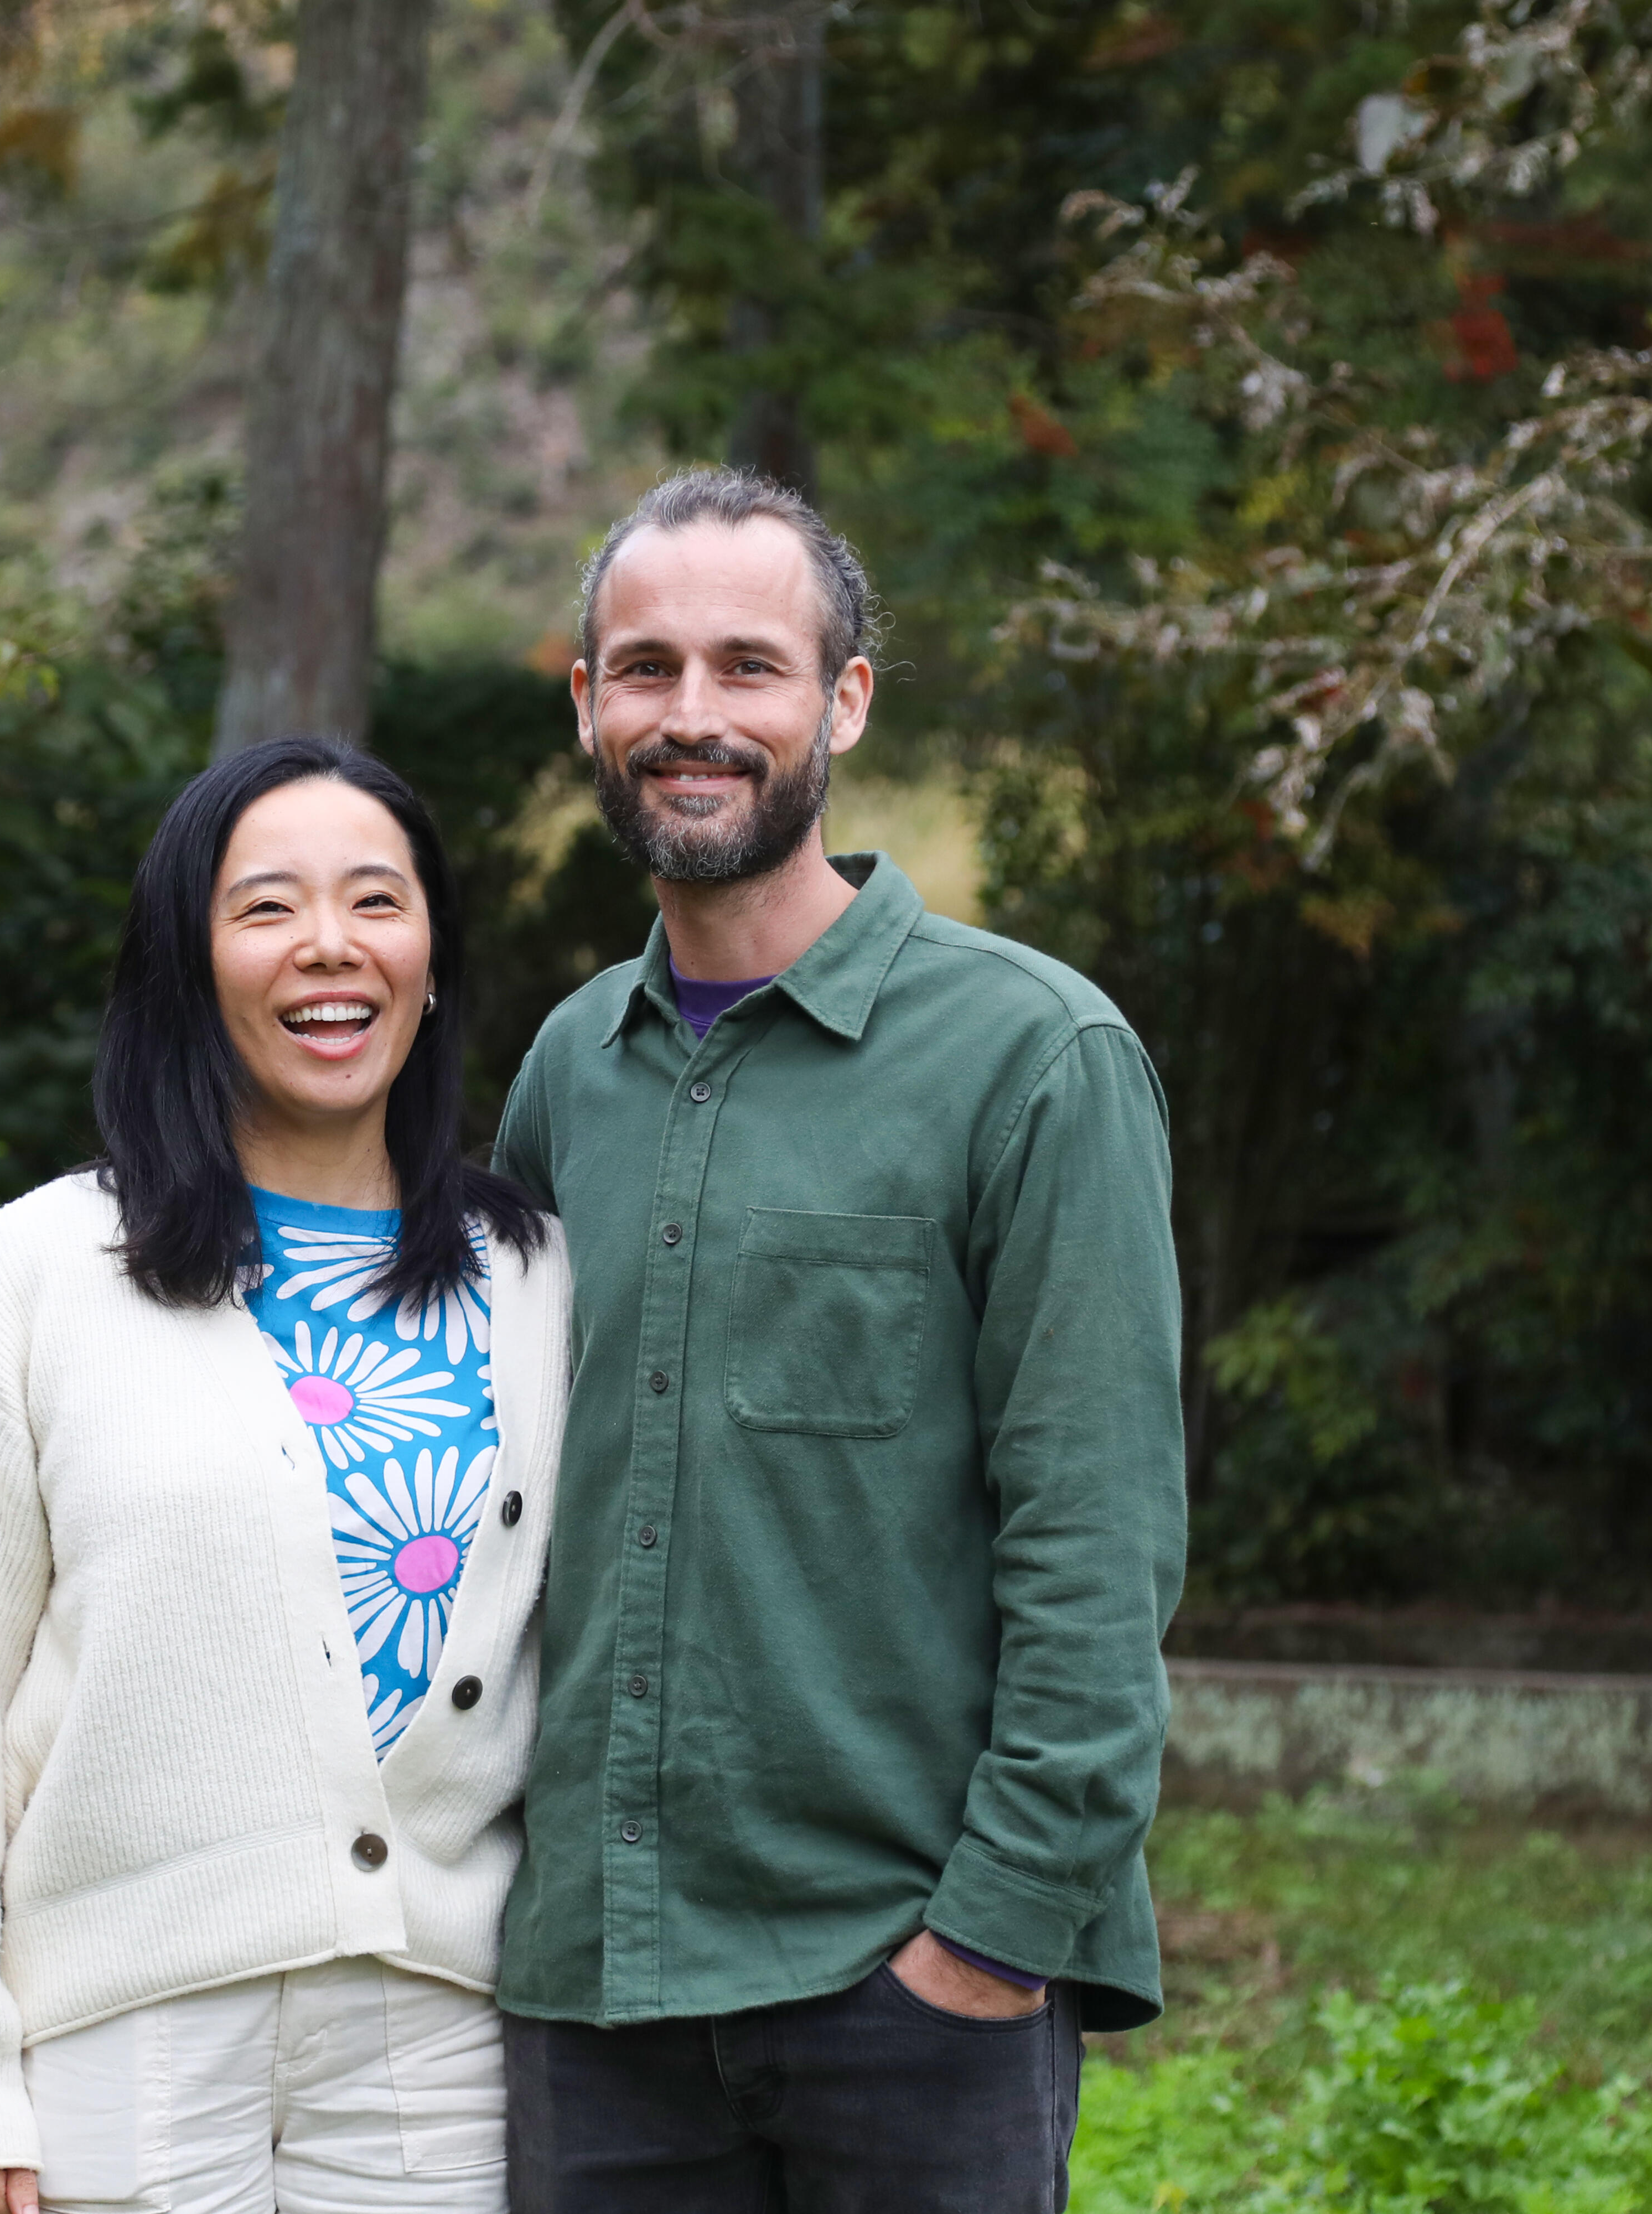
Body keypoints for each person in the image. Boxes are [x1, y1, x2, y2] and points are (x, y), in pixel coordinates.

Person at [489, 468, 1188, 2214]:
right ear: (587, 705)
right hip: (600, 1991)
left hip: (906, 1988)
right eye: (643, 669)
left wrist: (986, 1942)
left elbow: (1096, 1543)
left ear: (845, 700)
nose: (692, 715)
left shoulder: (1032, 1056)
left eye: (750, 664)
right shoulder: (570, 1066)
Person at [0, 738, 571, 2214]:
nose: (328, 947)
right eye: (265, 908)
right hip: (130, 2021)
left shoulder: (538, 1277)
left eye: (377, 900)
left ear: (429, 960)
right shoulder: (43, 1270)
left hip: (437, 2022)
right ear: (190, 963)